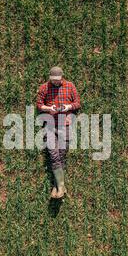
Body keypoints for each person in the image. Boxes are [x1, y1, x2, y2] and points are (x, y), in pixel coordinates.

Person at [36, 66, 81, 199]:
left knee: (61, 155)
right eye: (53, 80)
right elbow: (39, 105)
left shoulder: (70, 86)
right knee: (53, 154)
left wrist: (68, 107)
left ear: (62, 77)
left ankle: (57, 187)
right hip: (49, 123)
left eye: (58, 80)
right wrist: (49, 108)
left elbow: (77, 103)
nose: (55, 82)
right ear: (50, 78)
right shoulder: (44, 87)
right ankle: (61, 188)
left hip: (64, 124)